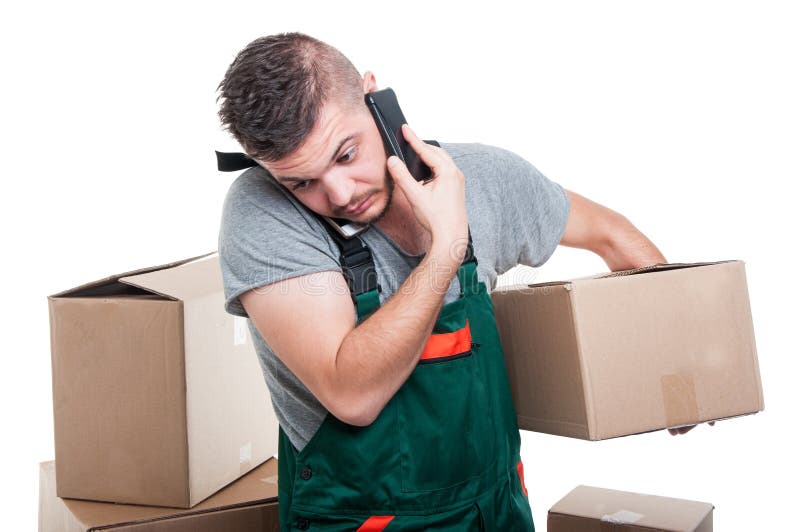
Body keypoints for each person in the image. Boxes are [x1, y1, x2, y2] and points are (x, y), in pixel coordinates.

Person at [216, 32, 681, 531]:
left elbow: (613, 237)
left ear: (375, 98)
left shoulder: (485, 176)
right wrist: (445, 249)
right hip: (361, 518)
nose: (339, 194)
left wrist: (674, 376)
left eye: (346, 155)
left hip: (494, 510)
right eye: (301, 182)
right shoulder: (261, 214)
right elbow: (353, 395)